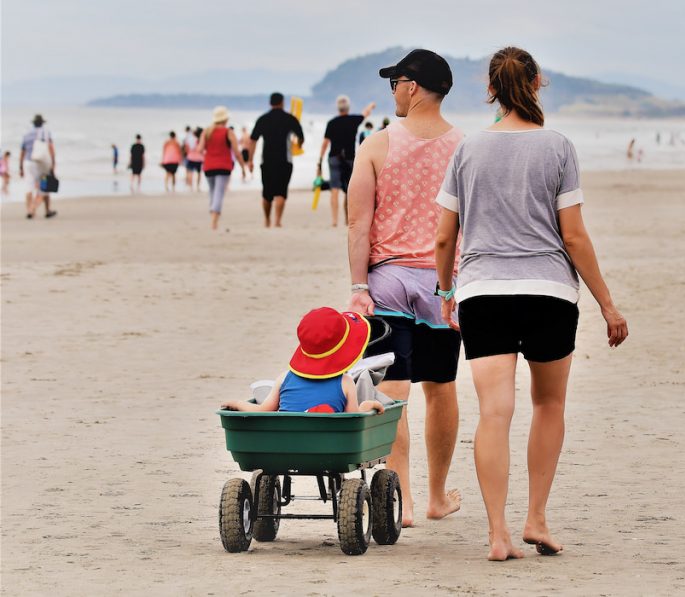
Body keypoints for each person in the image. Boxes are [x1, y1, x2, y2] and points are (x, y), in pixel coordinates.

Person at [434, 47, 628, 561]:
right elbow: (575, 237)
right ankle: (536, 519)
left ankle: (498, 534)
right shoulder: (558, 147)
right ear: (538, 83)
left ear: (490, 87)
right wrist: (608, 304)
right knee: (549, 404)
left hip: (483, 292)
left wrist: (446, 292)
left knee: (494, 412)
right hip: (548, 293)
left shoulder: (468, 149)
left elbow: (442, 238)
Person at [347, 48, 463, 529]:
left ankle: (404, 502)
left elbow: (358, 223)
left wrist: (358, 286)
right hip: (442, 284)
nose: (392, 90)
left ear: (411, 86)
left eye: (394, 81)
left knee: (393, 390)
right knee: (441, 387)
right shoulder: (464, 146)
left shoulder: (376, 146)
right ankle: (436, 496)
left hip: (389, 283)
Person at [220, 307, 385, 415]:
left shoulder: (285, 378)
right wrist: (368, 405)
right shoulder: (345, 382)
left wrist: (238, 404)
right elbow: (352, 419)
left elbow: (264, 410)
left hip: (286, 445)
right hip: (329, 447)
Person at [248, 92, 304, 228]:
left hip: (266, 160)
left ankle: (267, 219)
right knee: (281, 191)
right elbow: (301, 137)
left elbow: (253, 140)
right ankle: (277, 221)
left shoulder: (262, 119)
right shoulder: (290, 118)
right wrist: (297, 145)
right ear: (282, 102)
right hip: (285, 160)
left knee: (267, 193)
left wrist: (250, 160)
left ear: (270, 103)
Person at [318, 95, 376, 227]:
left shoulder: (332, 123)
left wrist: (319, 160)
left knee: (334, 189)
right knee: (349, 190)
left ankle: (334, 220)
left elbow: (325, 143)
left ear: (338, 108)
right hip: (349, 158)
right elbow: (365, 113)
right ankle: (346, 219)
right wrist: (371, 105)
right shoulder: (354, 120)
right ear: (348, 107)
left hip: (334, 157)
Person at [198, 106, 247, 230]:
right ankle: (214, 221)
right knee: (219, 192)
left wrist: (209, 154)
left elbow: (199, 149)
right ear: (225, 119)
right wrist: (243, 167)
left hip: (208, 166)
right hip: (224, 166)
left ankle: (213, 215)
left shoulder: (207, 131)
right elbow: (237, 152)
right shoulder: (228, 132)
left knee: (213, 192)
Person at [19, 114, 57, 219]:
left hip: (28, 163)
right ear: (42, 123)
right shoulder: (46, 133)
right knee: (44, 188)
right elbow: (51, 149)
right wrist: (53, 164)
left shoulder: (26, 134)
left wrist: (20, 168)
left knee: (29, 187)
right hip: (42, 163)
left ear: (33, 123)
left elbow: (22, 152)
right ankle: (39, 209)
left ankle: (29, 210)